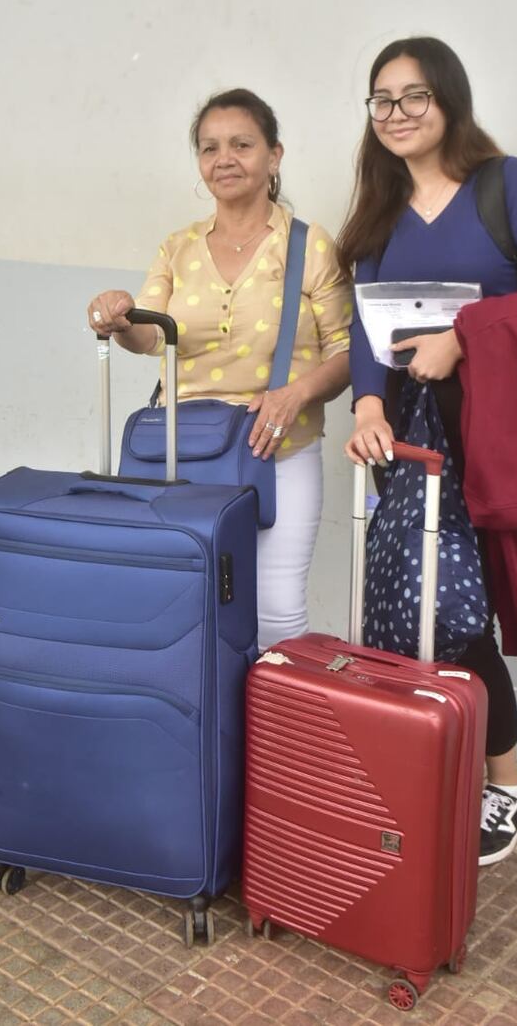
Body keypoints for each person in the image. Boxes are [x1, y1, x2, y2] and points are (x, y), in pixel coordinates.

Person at [340, 37, 517, 865]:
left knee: (453, 608)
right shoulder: (380, 211)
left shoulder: (504, 184)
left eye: (414, 96)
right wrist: (369, 399)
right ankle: (424, 766)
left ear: (449, 99)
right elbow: (366, 325)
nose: (397, 114)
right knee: (395, 605)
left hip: (488, 429)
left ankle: (507, 789)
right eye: (382, 99)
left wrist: (464, 335)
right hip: (408, 437)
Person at [88, 88, 352, 651]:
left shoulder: (308, 247)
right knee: (182, 599)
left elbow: (346, 351)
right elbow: (151, 334)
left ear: (274, 156)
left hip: (279, 446)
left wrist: (295, 394)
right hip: (186, 448)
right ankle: (206, 732)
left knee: (277, 611)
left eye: (241, 144)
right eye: (210, 148)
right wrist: (118, 316)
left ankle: (273, 735)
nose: (224, 159)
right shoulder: (177, 248)